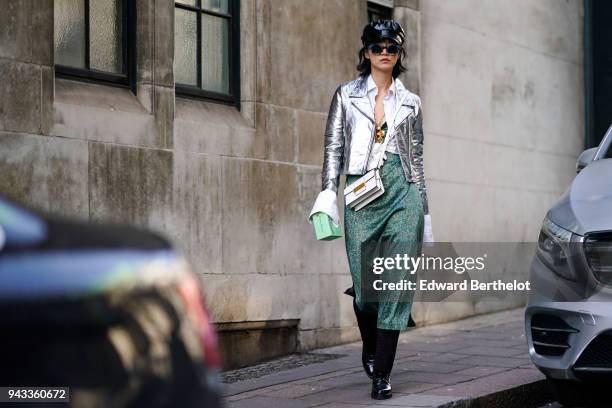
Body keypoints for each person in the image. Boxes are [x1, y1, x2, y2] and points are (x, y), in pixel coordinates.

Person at [308, 19, 434, 400]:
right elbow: (333, 147)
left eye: (391, 48)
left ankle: (382, 371)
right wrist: (328, 192)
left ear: (399, 56)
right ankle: (370, 345)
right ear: (366, 53)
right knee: (366, 287)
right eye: (377, 47)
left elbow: (417, 159)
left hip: (403, 190)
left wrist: (425, 211)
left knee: (396, 281)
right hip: (361, 191)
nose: (384, 53)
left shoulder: (411, 103)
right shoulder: (346, 95)